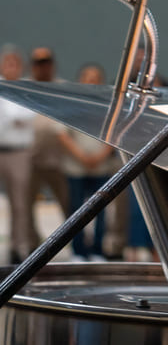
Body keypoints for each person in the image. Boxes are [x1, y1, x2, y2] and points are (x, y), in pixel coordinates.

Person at [58, 64, 115, 260]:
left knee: (101, 211)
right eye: (87, 77)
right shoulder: (70, 102)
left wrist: (101, 156)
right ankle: (78, 251)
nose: (91, 81)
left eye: (95, 77)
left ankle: (98, 249)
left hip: (101, 166)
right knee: (76, 210)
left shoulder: (109, 104)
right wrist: (81, 156)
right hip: (76, 167)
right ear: (80, 79)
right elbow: (63, 134)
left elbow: (116, 134)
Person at [27, 46, 70, 249]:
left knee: (69, 205)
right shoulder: (24, 88)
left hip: (59, 159)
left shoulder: (63, 88)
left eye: (46, 62)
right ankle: (32, 247)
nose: (42, 67)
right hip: (30, 159)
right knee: (26, 207)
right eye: (38, 63)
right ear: (32, 66)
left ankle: (75, 246)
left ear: (52, 65)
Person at [0, 46, 35, 262]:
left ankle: (17, 246)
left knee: (20, 203)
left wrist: (9, 118)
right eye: (7, 63)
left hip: (19, 153)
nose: (11, 67)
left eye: (15, 63)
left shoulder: (26, 88)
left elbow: (25, 115)